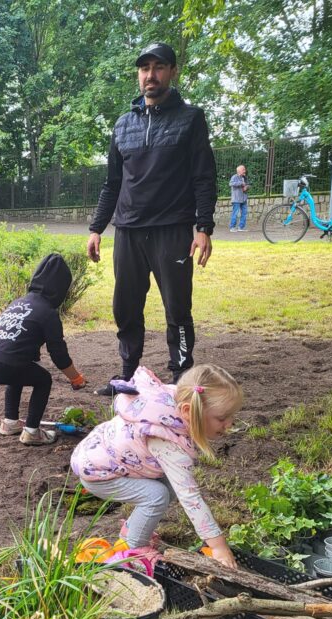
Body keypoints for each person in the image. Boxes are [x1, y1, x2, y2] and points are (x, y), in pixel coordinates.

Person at [86, 42, 217, 395]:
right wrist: (97, 227)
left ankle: (181, 377)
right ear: (138, 74)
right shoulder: (123, 124)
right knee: (126, 307)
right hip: (128, 231)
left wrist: (203, 227)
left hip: (172, 230)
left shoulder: (191, 119)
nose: (150, 75)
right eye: (144, 68)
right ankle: (128, 375)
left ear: (172, 72)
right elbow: (113, 182)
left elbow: (204, 176)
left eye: (158, 67)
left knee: (177, 308)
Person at [71, 364, 243, 570]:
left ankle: (133, 530)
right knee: (156, 496)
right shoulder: (166, 439)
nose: (230, 424)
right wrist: (218, 546)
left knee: (168, 487)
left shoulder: (175, 399)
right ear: (189, 411)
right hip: (100, 473)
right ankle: (133, 552)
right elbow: (191, 498)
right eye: (222, 418)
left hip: (107, 458)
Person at [0, 252, 88, 446]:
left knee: (18, 370)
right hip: (5, 364)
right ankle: (31, 432)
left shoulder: (18, 302)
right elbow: (59, 354)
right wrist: (75, 378)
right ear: (61, 289)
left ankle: (10, 422)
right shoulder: (48, 313)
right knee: (43, 379)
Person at [229, 165, 249, 232]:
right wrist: (241, 183)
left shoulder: (244, 177)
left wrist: (246, 187)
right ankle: (232, 227)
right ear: (239, 171)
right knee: (236, 213)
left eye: (244, 169)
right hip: (236, 199)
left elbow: (248, 184)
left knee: (244, 213)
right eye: (243, 169)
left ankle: (241, 227)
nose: (244, 171)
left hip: (244, 198)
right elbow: (231, 184)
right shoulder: (234, 177)